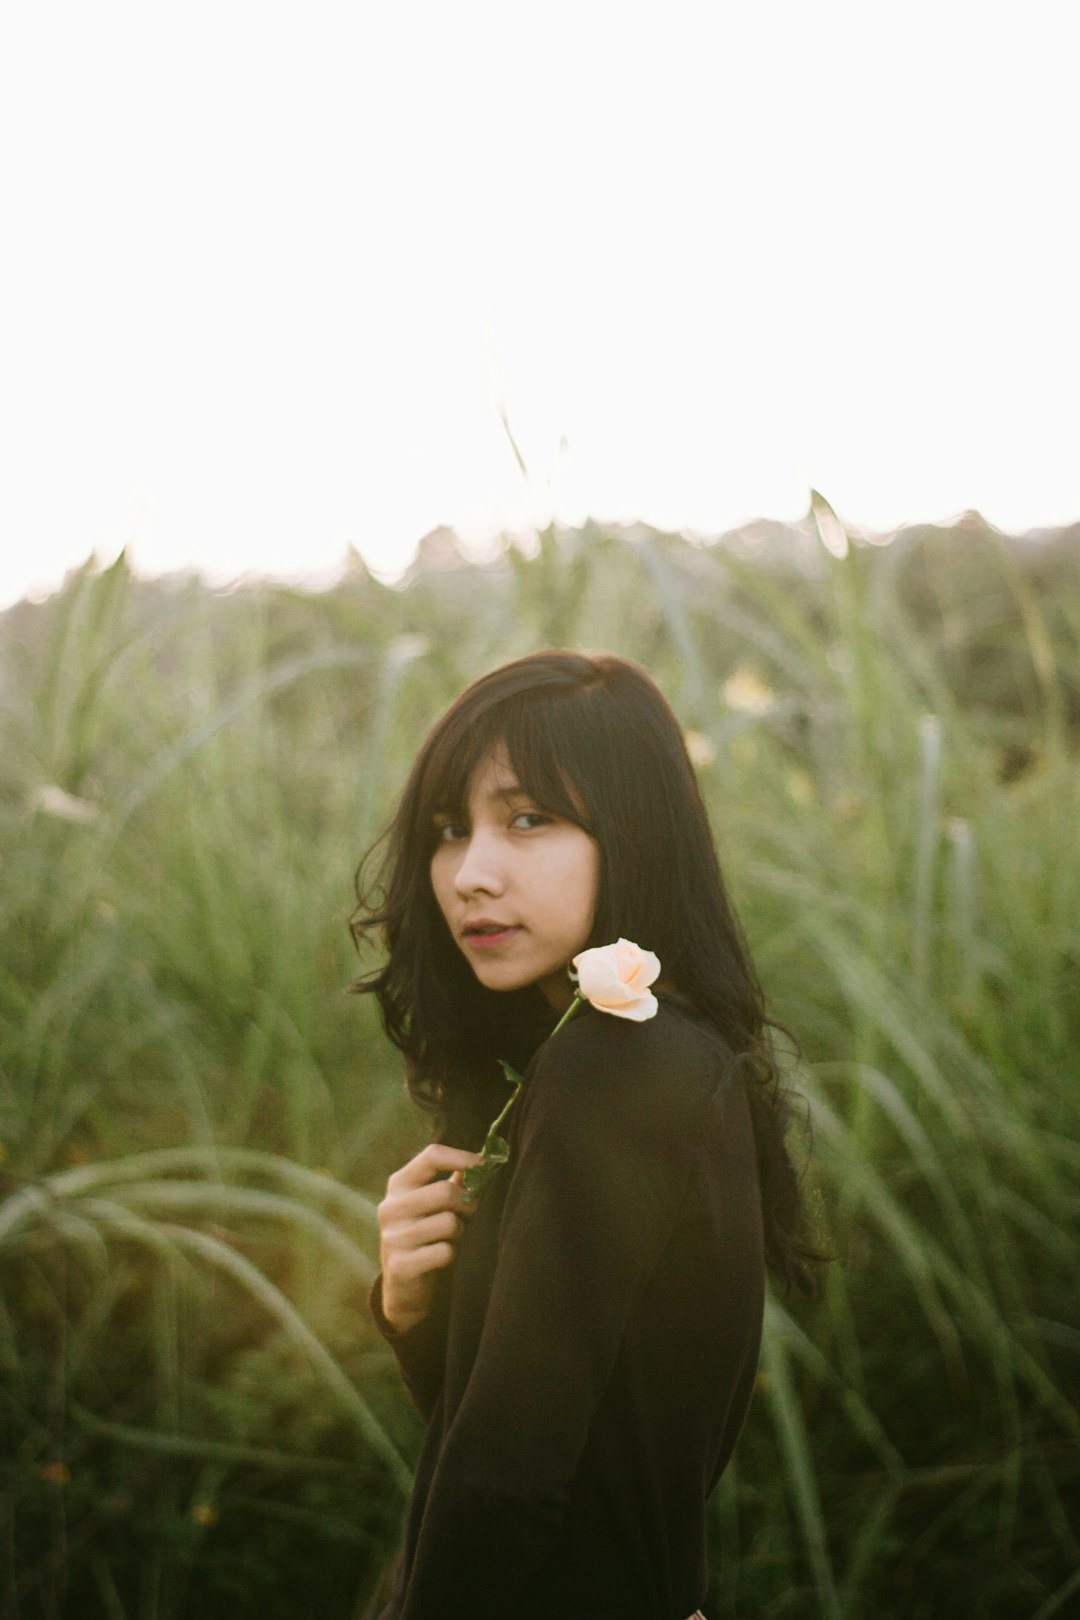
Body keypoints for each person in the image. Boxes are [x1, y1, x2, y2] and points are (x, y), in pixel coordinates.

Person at [350, 649, 820, 1620]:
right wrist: (412, 1304)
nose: (471, 874)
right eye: (449, 830)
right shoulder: (619, 1060)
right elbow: (519, 1438)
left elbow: (505, 1482)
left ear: (633, 834)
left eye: (529, 819)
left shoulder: (622, 1062)